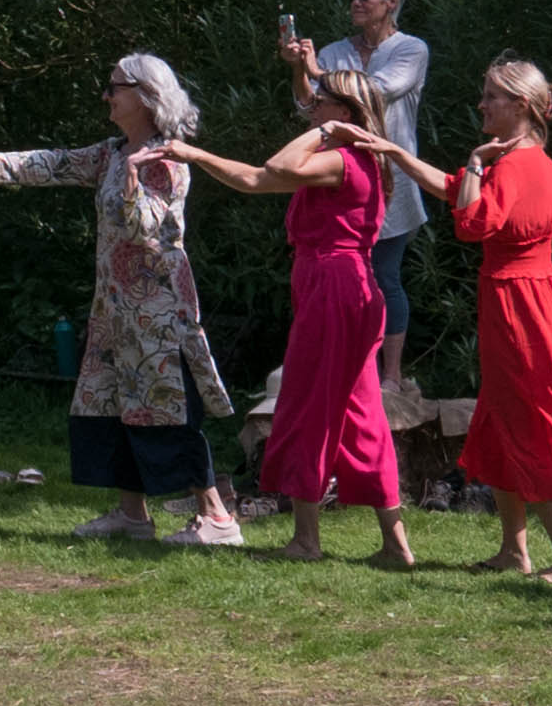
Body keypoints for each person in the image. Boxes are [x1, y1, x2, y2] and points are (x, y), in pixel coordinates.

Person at [0, 53, 242, 549]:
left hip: (158, 311)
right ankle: (132, 516)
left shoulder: (167, 160)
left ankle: (217, 518)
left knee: (167, 410)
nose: (105, 95)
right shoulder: (112, 153)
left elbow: (144, 229)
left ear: (145, 96)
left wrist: (132, 180)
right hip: (115, 308)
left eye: (114, 87)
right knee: (114, 408)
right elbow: (57, 162)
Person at [338, 57, 552, 580]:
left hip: (520, 307)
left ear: (521, 105)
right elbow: (456, 189)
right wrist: (396, 153)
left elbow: (471, 224)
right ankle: (515, 551)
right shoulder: (529, 159)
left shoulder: (510, 165)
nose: (482, 104)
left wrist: (474, 161)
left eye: (492, 96)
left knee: (529, 421)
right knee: (500, 421)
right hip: (524, 299)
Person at [156, 71, 418, 567]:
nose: (311, 108)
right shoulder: (346, 162)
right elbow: (256, 179)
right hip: (346, 289)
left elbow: (277, 164)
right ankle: (395, 545)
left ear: (345, 112)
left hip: (334, 290)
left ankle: (306, 541)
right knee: (361, 417)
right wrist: (195, 155)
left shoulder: (342, 159)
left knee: (305, 407)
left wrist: (326, 131)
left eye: (321, 102)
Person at [284, 0, 433, 386]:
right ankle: (351, 368)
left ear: (391, 2)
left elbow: (377, 92)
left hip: (390, 180)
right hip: (339, 177)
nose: (355, 2)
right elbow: (309, 107)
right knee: (343, 278)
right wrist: (298, 69)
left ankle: (392, 376)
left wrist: (317, 73)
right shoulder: (335, 51)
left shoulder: (411, 50)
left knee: (384, 277)